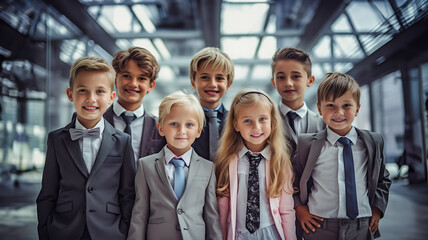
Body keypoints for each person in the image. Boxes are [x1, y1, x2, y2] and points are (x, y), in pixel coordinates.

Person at [36, 57, 135, 240]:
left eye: (100, 91)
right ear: (70, 94)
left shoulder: (123, 141)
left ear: (111, 97)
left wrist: (124, 231)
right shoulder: (56, 139)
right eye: (83, 90)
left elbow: (127, 194)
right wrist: (46, 231)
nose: (91, 99)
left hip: (110, 232)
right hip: (64, 230)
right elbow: (48, 193)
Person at [293, 72, 391, 240]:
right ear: (319, 108)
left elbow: (383, 178)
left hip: (361, 225)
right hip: (319, 226)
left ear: (358, 108)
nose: (339, 112)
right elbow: (291, 182)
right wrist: (299, 209)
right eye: (331, 105)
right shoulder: (307, 144)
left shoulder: (373, 142)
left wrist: (377, 208)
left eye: (347, 105)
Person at [127, 91, 222, 240]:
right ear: (161, 128)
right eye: (174, 124)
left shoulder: (208, 168)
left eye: (189, 124)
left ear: (198, 130)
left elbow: (212, 218)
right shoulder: (145, 166)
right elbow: (140, 214)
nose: (181, 131)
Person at [216, 89, 296, 240]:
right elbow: (223, 208)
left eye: (263, 119)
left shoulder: (280, 162)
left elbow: (287, 210)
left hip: (271, 233)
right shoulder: (228, 161)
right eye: (247, 121)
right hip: (239, 234)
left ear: (272, 122)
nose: (256, 127)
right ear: (236, 125)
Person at [105, 46, 165, 161]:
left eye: (141, 78)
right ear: (115, 79)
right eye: (127, 76)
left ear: (151, 86)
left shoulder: (160, 128)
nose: (133, 84)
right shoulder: (98, 122)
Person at [270, 47, 324, 156]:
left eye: (296, 76)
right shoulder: (266, 121)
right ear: (274, 82)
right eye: (281, 77)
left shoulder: (323, 124)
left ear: (310, 80)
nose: (288, 83)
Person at [190, 47, 234, 161]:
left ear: (228, 84)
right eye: (205, 77)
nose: (213, 84)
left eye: (219, 78)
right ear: (193, 83)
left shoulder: (236, 120)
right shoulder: (184, 121)